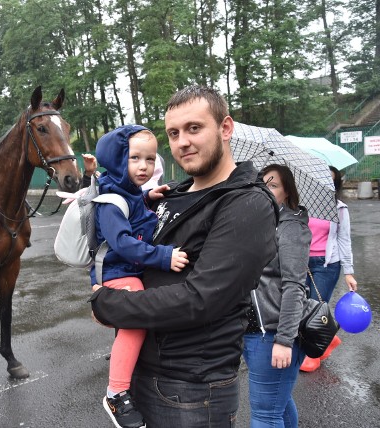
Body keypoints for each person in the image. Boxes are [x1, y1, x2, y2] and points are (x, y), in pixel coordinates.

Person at [89, 85, 278, 428]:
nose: (182, 142)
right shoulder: (171, 194)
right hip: (142, 371)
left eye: (194, 128)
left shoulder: (246, 204)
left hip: (190, 388)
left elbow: (201, 299)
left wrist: (109, 305)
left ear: (225, 128)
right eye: (173, 133)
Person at [92, 125, 188, 428]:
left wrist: (148, 197)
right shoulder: (109, 201)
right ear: (118, 160)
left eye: (149, 159)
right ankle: (116, 392)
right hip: (117, 273)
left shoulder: (130, 191)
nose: (144, 166)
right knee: (137, 320)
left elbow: (133, 206)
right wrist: (163, 256)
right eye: (135, 159)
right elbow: (122, 242)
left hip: (128, 268)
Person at [243, 164, 311, 427]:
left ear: (287, 192)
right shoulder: (260, 223)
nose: (266, 189)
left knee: (264, 414)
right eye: (262, 184)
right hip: (251, 329)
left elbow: (295, 286)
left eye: (273, 185)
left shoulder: (291, 227)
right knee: (277, 404)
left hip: (272, 333)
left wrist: (284, 339)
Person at [300, 165, 358, 372]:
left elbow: (344, 240)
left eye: (331, 181)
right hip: (300, 263)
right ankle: (329, 338)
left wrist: (348, 272)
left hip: (326, 265)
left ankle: (313, 354)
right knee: (301, 306)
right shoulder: (300, 205)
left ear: (335, 185)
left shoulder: (339, 208)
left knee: (316, 306)